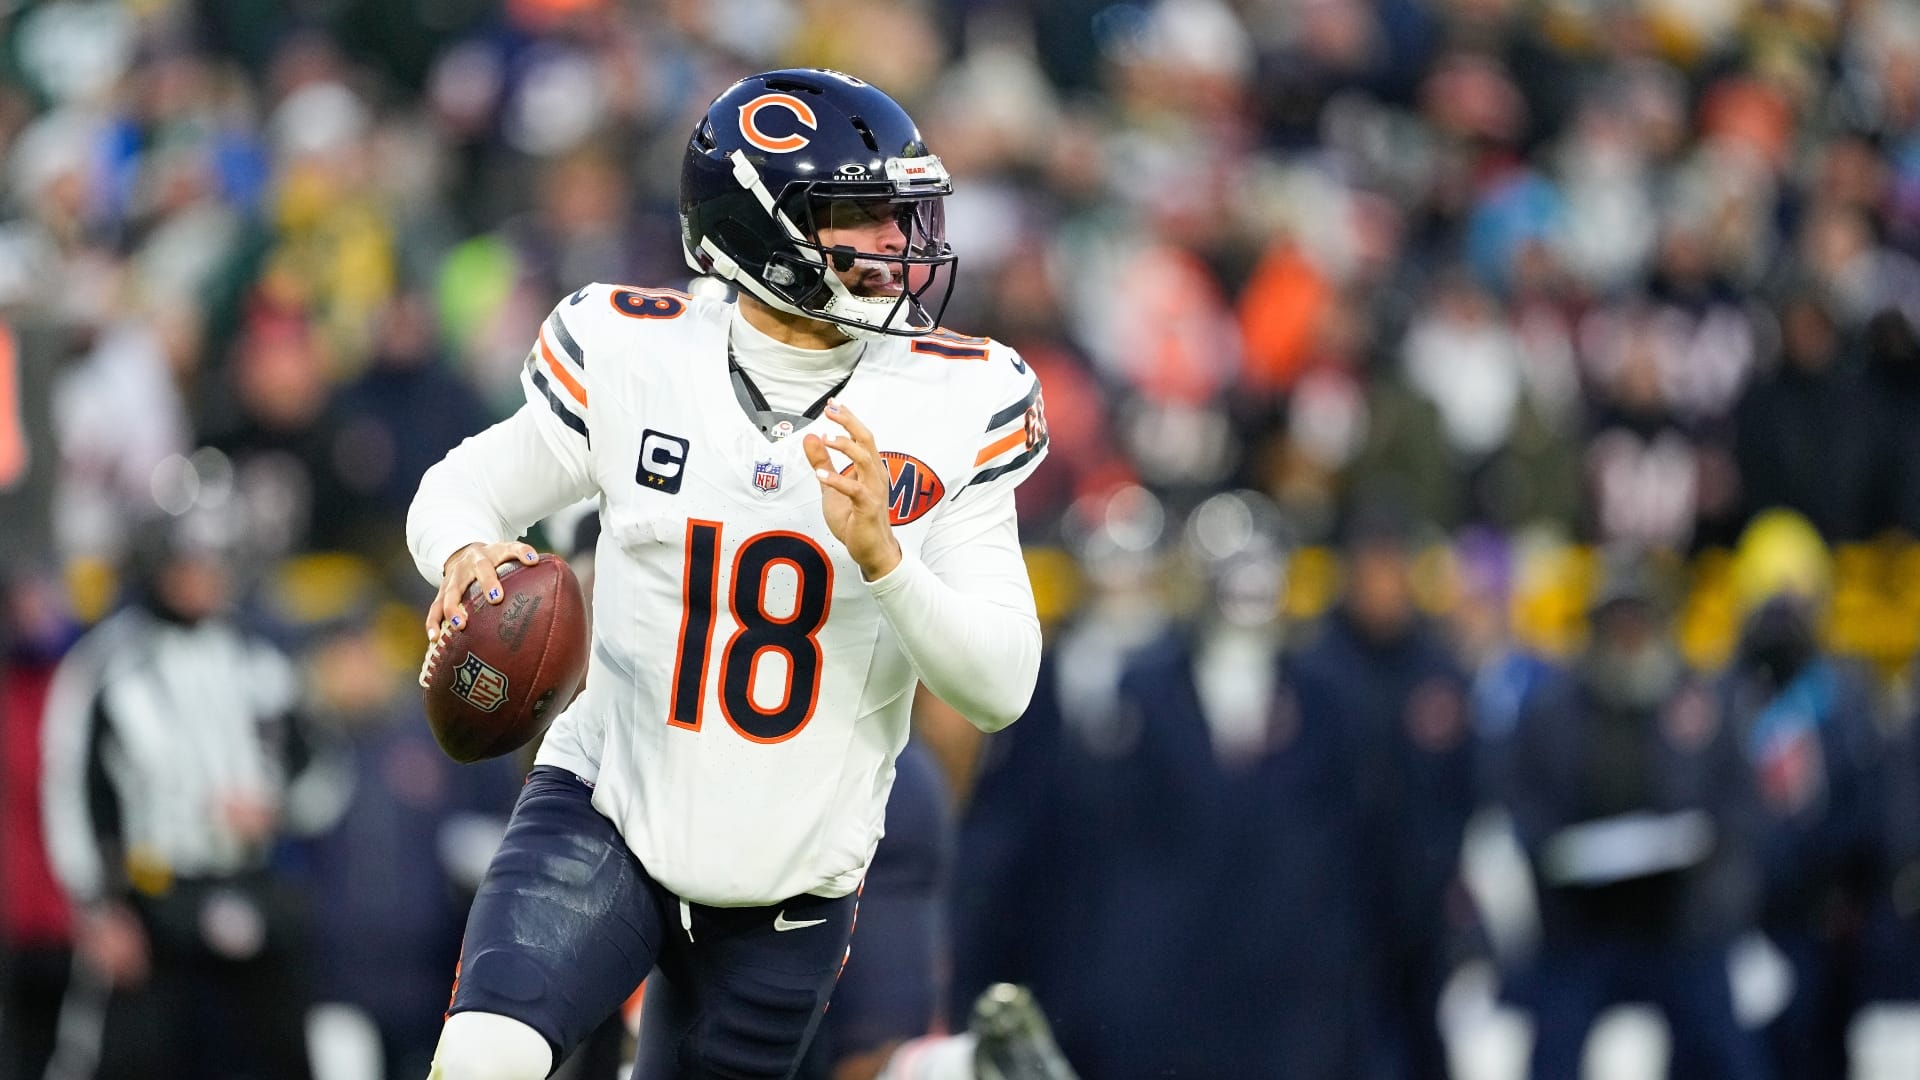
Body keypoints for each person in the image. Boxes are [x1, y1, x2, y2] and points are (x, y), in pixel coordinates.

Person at [407, 69, 1048, 1080]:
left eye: (901, 213)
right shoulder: (637, 352)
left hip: (790, 887)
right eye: (861, 214)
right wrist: (465, 552)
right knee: (481, 1061)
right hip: (604, 809)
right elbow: (457, 490)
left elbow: (1002, 685)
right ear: (762, 232)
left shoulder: (954, 399)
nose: (897, 241)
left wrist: (885, 559)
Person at [38, 501, 335, 1079]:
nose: (202, 574)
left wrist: (276, 810)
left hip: (251, 889)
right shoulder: (108, 662)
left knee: (282, 1057)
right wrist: (97, 909)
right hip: (152, 902)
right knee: (125, 1059)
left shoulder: (261, 661)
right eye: (187, 559)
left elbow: (323, 769)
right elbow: (71, 792)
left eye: (214, 559)